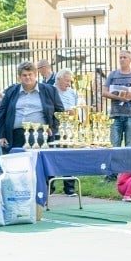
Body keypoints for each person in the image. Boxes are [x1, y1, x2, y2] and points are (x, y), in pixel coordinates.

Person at [0, 61, 65, 150]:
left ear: (35, 75)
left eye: (30, 74)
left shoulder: (50, 91)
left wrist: (52, 128)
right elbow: (1, 114)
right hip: (15, 135)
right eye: (24, 75)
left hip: (39, 134)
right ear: (19, 77)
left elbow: (60, 112)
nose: (27, 77)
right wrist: (1, 135)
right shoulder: (11, 91)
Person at [103, 50, 131, 149]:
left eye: (124, 57)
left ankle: (128, 165)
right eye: (120, 57)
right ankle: (115, 165)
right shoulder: (113, 74)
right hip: (115, 115)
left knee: (130, 145)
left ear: (130, 60)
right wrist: (119, 97)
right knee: (114, 145)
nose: (122, 59)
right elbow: (104, 92)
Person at [54, 68, 82, 196]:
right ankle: (50, 186)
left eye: (70, 81)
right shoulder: (51, 91)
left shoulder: (72, 93)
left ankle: (69, 187)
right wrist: (65, 111)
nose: (68, 84)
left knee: (70, 157)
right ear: (59, 79)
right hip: (55, 129)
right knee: (53, 157)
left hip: (70, 129)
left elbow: (76, 109)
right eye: (66, 81)